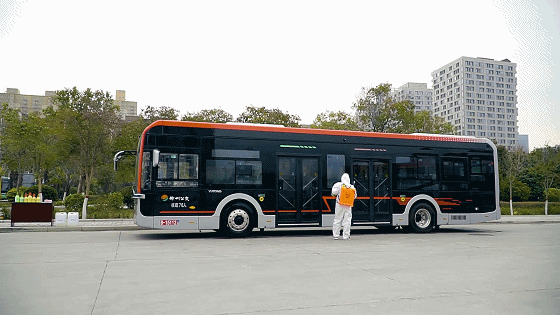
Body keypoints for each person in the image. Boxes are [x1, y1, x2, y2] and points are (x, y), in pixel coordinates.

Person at [331, 173, 356, 240]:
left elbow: (333, 192)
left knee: (337, 219)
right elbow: (355, 196)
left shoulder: (338, 185)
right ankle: (346, 236)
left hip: (339, 204)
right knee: (347, 221)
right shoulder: (352, 187)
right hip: (348, 206)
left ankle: (336, 235)